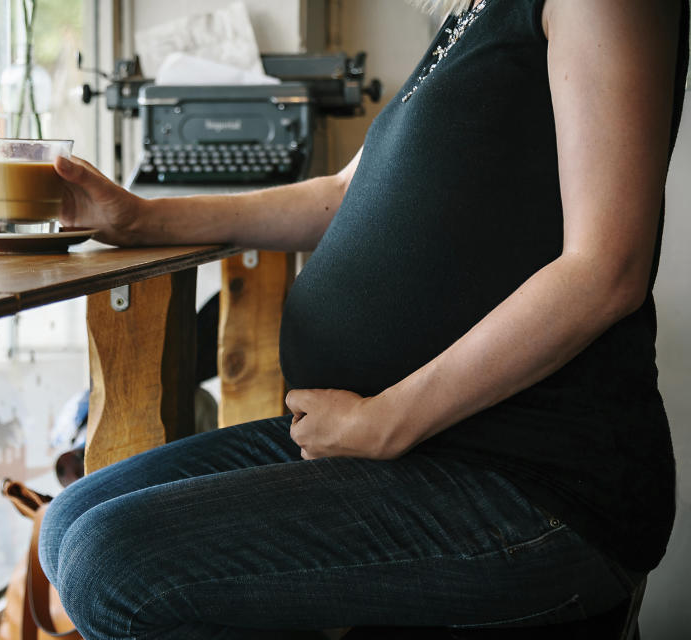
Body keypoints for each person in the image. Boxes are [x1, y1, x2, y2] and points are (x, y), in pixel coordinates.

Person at [36, 0, 689, 637]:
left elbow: (606, 270)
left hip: (527, 474)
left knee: (108, 566)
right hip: (410, 445)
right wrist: (141, 217)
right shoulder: (471, 18)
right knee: (68, 523)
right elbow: (341, 194)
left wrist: (387, 421)